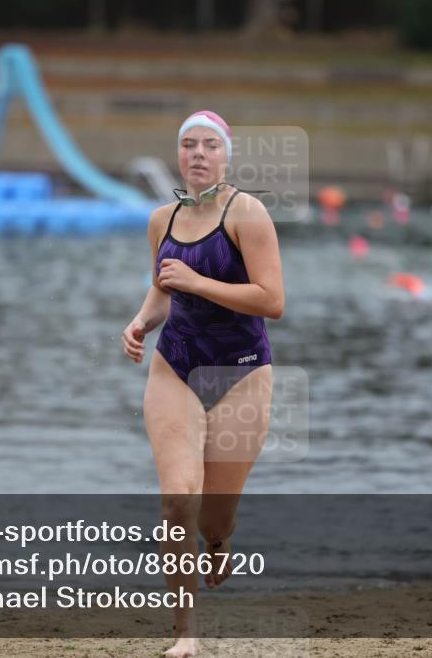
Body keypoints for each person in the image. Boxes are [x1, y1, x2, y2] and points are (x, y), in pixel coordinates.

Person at [121, 110, 284, 658]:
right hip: (176, 365)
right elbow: (164, 289)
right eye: (188, 145)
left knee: (214, 516)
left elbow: (272, 301)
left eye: (208, 145)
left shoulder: (248, 213)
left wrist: (198, 281)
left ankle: (218, 542)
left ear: (226, 155)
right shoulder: (160, 219)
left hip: (241, 370)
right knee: (177, 501)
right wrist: (142, 320)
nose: (197, 154)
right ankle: (186, 634)